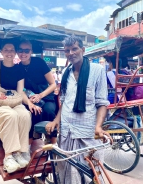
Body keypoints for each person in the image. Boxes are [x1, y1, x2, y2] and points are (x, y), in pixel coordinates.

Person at [46, 36, 110, 184]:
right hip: (67, 130)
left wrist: (98, 126)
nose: (71, 53)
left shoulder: (97, 70)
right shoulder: (66, 72)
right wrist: (56, 120)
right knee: (67, 170)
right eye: (67, 50)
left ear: (83, 49)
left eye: (74, 49)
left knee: (92, 171)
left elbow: (102, 102)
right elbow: (64, 101)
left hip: (87, 131)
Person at [0, 42, 32, 174]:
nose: (9, 52)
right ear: (1, 51)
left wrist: (30, 102)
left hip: (13, 101)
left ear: (15, 52)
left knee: (25, 115)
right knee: (10, 116)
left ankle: (20, 152)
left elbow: (20, 92)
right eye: (6, 50)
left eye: (12, 50)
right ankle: (9, 156)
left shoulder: (19, 69)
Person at [17, 40, 57, 146]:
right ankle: (28, 144)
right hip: (29, 98)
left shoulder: (39, 62)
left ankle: (52, 142)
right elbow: (20, 89)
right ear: (17, 52)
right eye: (20, 50)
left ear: (31, 51)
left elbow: (53, 84)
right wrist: (29, 100)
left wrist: (40, 95)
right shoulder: (17, 68)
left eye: (26, 51)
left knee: (49, 111)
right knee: (27, 114)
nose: (23, 53)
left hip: (46, 96)